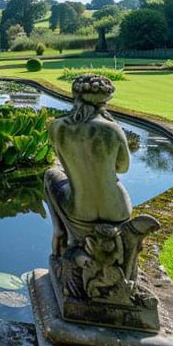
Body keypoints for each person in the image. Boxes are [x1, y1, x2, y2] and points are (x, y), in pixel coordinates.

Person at [45, 74, 131, 255]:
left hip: (79, 210)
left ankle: (59, 232)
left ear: (75, 96)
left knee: (50, 175)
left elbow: (64, 159)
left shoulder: (57, 126)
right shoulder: (112, 129)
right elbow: (122, 168)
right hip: (117, 210)